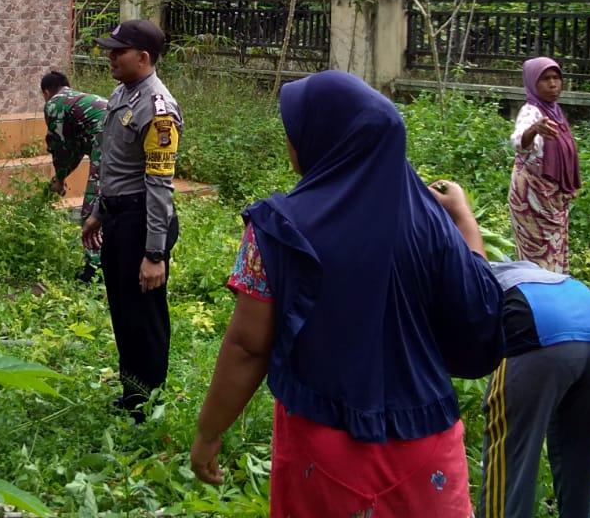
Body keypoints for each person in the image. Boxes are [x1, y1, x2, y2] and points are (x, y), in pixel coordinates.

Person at [189, 71, 504, 517]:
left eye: (294, 131)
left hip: (324, 451)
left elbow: (246, 345)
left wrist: (208, 432)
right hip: (428, 449)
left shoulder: (278, 228)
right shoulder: (431, 222)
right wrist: (464, 219)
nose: (289, 141)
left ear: (326, 138)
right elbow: (482, 304)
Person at [472, 253, 590, 518]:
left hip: (542, 330)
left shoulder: (469, 272)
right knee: (580, 463)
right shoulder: (536, 274)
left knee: (511, 461)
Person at [81, 19, 181, 420]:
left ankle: (148, 403)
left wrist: (154, 252)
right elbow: (115, 164)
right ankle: (131, 392)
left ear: (143, 58)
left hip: (144, 220)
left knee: (145, 316)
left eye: (117, 51)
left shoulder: (159, 110)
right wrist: (98, 213)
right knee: (123, 309)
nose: (110, 57)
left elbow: (159, 184)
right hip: (120, 218)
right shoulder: (124, 92)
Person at [509, 57, 581, 273]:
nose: (553, 84)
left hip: (553, 201)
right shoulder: (532, 112)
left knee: (554, 256)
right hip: (532, 201)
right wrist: (534, 130)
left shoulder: (554, 111)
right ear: (532, 83)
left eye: (556, 78)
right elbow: (519, 142)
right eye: (545, 79)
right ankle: (536, 302)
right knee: (537, 259)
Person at [40, 70, 107, 283]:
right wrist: (62, 176)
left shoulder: (54, 104)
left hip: (109, 140)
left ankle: (94, 271)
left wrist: (59, 178)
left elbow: (61, 147)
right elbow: (76, 150)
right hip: (127, 136)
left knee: (93, 207)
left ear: (46, 92)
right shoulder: (79, 101)